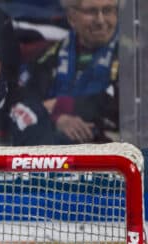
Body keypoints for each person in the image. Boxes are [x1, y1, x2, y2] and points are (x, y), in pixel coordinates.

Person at [20, 0, 118, 143]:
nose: (101, 21)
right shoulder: (47, 57)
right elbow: (25, 104)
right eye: (91, 12)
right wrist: (56, 119)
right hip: (55, 153)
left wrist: (63, 105)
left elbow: (125, 103)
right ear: (72, 18)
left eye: (108, 10)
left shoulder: (135, 55)